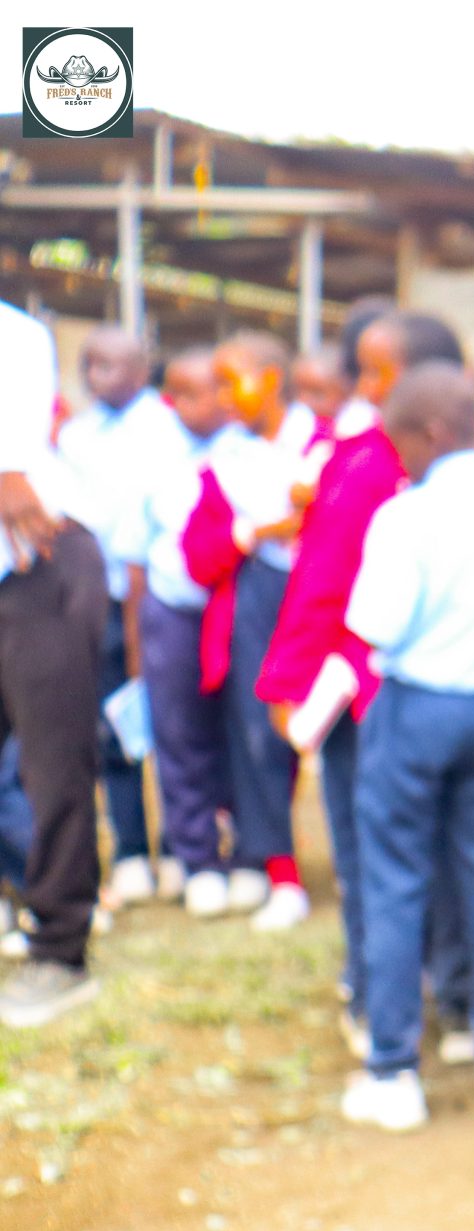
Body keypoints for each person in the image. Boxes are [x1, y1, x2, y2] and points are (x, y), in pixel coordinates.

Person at [340, 364, 474, 1131]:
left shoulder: (408, 518)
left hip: (417, 707)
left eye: (398, 437)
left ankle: (394, 1068)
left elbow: (375, 626)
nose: (393, 455)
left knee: (396, 880)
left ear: (431, 431)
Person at [261, 309, 468, 1048]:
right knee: (444, 847)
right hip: (450, 697)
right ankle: (451, 985)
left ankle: (376, 990)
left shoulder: (371, 463)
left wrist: (286, 680)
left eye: (379, 373)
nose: (364, 386)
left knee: (368, 849)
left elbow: (321, 585)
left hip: (361, 695)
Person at [0, 299, 108, 1027]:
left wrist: (8, 469)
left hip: (38, 569)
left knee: (53, 765)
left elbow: (16, 474)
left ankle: (62, 951)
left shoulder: (13, 334)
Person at [56, 325, 184, 907]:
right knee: (114, 722)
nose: (96, 376)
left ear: (141, 368)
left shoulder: (168, 428)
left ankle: (183, 848)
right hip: (101, 596)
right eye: (89, 365)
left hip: (160, 594)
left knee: (178, 723)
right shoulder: (76, 437)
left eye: (110, 365)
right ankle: (132, 850)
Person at [188, 332, 314, 928]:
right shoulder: (226, 465)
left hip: (324, 603)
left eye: (228, 381)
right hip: (256, 604)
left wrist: (310, 513)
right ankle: (279, 869)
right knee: (258, 733)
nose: (220, 398)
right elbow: (197, 556)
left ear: (270, 378)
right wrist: (257, 531)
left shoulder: (322, 446)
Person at [131, 348, 240, 910]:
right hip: (173, 608)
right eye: (195, 393)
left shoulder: (246, 445)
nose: (213, 402)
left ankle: (243, 849)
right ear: (171, 398)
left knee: (239, 731)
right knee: (178, 732)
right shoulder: (153, 451)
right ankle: (195, 855)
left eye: (221, 389)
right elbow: (134, 547)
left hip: (235, 607)